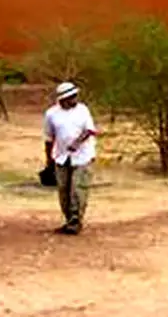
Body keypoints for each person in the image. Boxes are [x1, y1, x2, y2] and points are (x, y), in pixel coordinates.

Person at [42, 81, 99, 235]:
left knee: (78, 189)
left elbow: (89, 130)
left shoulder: (83, 110)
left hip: (83, 156)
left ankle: (75, 221)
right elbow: (48, 138)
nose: (74, 99)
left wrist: (77, 143)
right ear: (62, 99)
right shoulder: (51, 114)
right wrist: (49, 160)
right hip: (61, 157)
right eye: (71, 97)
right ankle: (69, 220)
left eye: (75, 96)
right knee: (64, 191)